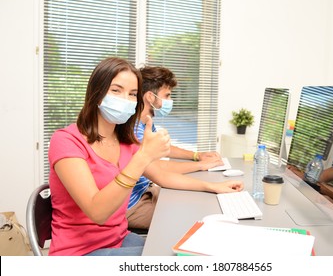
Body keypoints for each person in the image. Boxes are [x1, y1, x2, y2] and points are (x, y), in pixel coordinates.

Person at [48, 57, 243, 256]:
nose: (125, 99)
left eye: (132, 94)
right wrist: (142, 157)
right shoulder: (65, 141)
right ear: (97, 93)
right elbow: (97, 212)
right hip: (80, 253)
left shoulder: (124, 140)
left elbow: (162, 176)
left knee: (185, 248)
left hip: (117, 238)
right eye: (116, 90)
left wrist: (213, 187)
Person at [126, 66, 224, 230]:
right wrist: (200, 166)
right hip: (134, 204)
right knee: (187, 217)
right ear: (151, 96)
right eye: (167, 95)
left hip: (147, 189)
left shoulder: (144, 123)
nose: (170, 101)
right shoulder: (133, 129)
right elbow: (158, 169)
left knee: (192, 201)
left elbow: (164, 148)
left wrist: (197, 155)